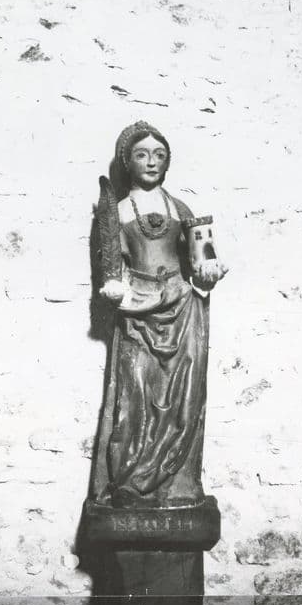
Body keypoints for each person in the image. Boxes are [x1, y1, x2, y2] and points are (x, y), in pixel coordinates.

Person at [91, 120, 227, 510]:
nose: (151, 161)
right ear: (127, 162)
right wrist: (113, 284)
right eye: (142, 154)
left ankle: (178, 485)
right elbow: (110, 264)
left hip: (182, 310)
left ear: (167, 162)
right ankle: (129, 483)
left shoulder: (181, 210)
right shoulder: (116, 212)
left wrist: (208, 271)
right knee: (135, 394)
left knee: (185, 396)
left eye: (159, 155)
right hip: (138, 309)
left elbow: (201, 261)